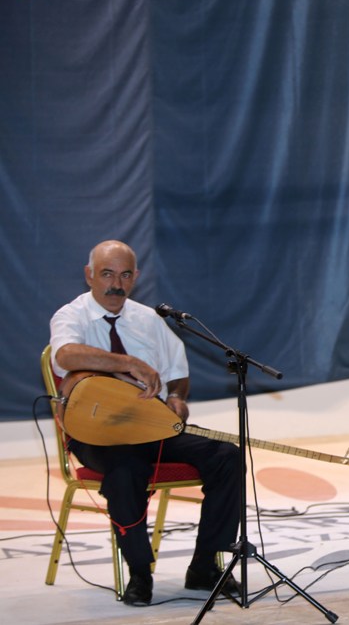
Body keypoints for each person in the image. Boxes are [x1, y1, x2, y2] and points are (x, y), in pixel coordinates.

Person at [49, 240, 242, 606]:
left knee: (226, 456)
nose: (116, 285)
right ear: (89, 275)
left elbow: (176, 371)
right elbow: (66, 355)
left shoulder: (148, 319)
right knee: (126, 469)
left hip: (150, 426)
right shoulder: (71, 316)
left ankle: (205, 566)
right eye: (107, 274)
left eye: (125, 275)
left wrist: (177, 398)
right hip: (97, 435)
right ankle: (140, 573)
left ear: (136, 276)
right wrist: (128, 363)